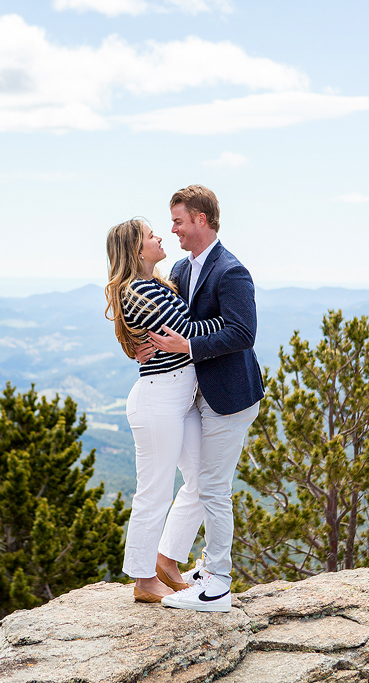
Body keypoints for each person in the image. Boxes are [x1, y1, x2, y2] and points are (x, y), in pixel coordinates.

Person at [145, 184, 264, 613]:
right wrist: (143, 345)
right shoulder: (181, 266)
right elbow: (165, 316)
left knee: (214, 487)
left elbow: (243, 333)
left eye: (178, 220)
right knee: (199, 481)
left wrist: (187, 346)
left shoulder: (231, 271)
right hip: (197, 395)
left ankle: (218, 584)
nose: (172, 228)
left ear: (201, 219)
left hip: (230, 397)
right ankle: (183, 563)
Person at [104, 218, 225, 603]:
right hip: (158, 402)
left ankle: (166, 560)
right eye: (151, 235)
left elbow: (183, 332)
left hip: (179, 400)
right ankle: (143, 580)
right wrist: (232, 323)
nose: (160, 237)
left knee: (200, 482)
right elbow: (189, 330)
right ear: (138, 250)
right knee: (154, 492)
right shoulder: (138, 291)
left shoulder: (156, 283)